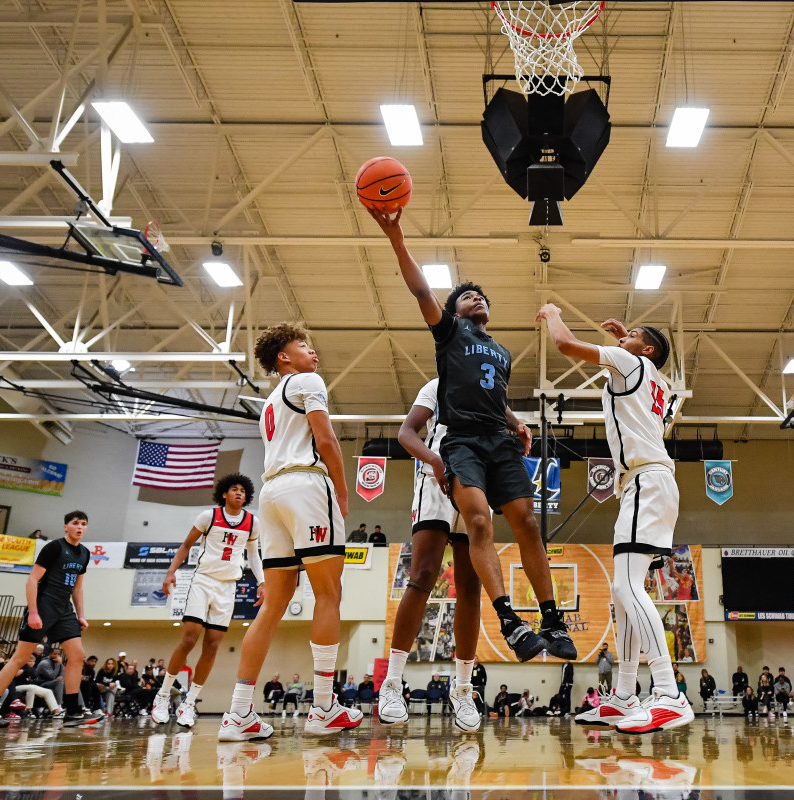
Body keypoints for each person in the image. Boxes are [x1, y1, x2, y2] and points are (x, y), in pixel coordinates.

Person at [372, 207, 575, 662]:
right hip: (459, 443)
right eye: (466, 296)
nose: (476, 298)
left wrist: (515, 422)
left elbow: (493, 398)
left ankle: (553, 621)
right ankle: (509, 621)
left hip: (496, 442)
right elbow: (421, 289)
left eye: (480, 296)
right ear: (453, 312)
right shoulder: (448, 335)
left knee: (526, 523)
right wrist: (398, 239)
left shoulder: (502, 352)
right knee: (477, 524)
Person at [537, 304, 692, 733]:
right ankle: (625, 694)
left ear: (646, 348)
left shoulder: (631, 362)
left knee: (626, 586)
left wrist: (552, 311)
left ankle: (667, 691)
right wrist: (631, 339)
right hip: (649, 484)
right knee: (622, 592)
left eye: (631, 336)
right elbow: (639, 365)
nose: (620, 340)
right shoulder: (656, 378)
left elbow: (566, 344)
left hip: (645, 482)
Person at [219, 323, 361, 741]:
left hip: (272, 494)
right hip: (305, 485)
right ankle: (323, 708)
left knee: (273, 605)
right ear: (284, 357)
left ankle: (238, 714)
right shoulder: (307, 381)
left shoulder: (269, 402)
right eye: (304, 346)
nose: (313, 353)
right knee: (328, 593)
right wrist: (341, 488)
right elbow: (327, 439)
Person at [378, 377, 483, 731]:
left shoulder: (488, 382)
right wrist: (435, 460)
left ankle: (464, 690)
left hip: (475, 481)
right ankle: (391, 685)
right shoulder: (438, 384)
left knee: (470, 587)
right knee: (423, 575)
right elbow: (407, 433)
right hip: (435, 478)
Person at [153, 474, 265, 728]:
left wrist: (261, 582)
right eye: (234, 489)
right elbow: (185, 546)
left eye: (243, 491)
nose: (239, 493)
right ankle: (162, 695)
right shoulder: (208, 517)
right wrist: (170, 572)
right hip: (203, 580)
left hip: (227, 587)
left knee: (212, 644)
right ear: (223, 494)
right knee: (190, 637)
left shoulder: (252, 523)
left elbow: (253, 555)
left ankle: (189, 703)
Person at [0, 511, 99, 728]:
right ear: (65, 527)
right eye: (75, 523)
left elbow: (78, 587)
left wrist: (81, 614)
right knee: (19, 659)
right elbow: (32, 580)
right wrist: (33, 612)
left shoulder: (84, 553)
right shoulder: (54, 547)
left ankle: (72, 711)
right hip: (43, 605)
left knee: (77, 656)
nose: (79, 527)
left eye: (83, 524)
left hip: (64, 610)